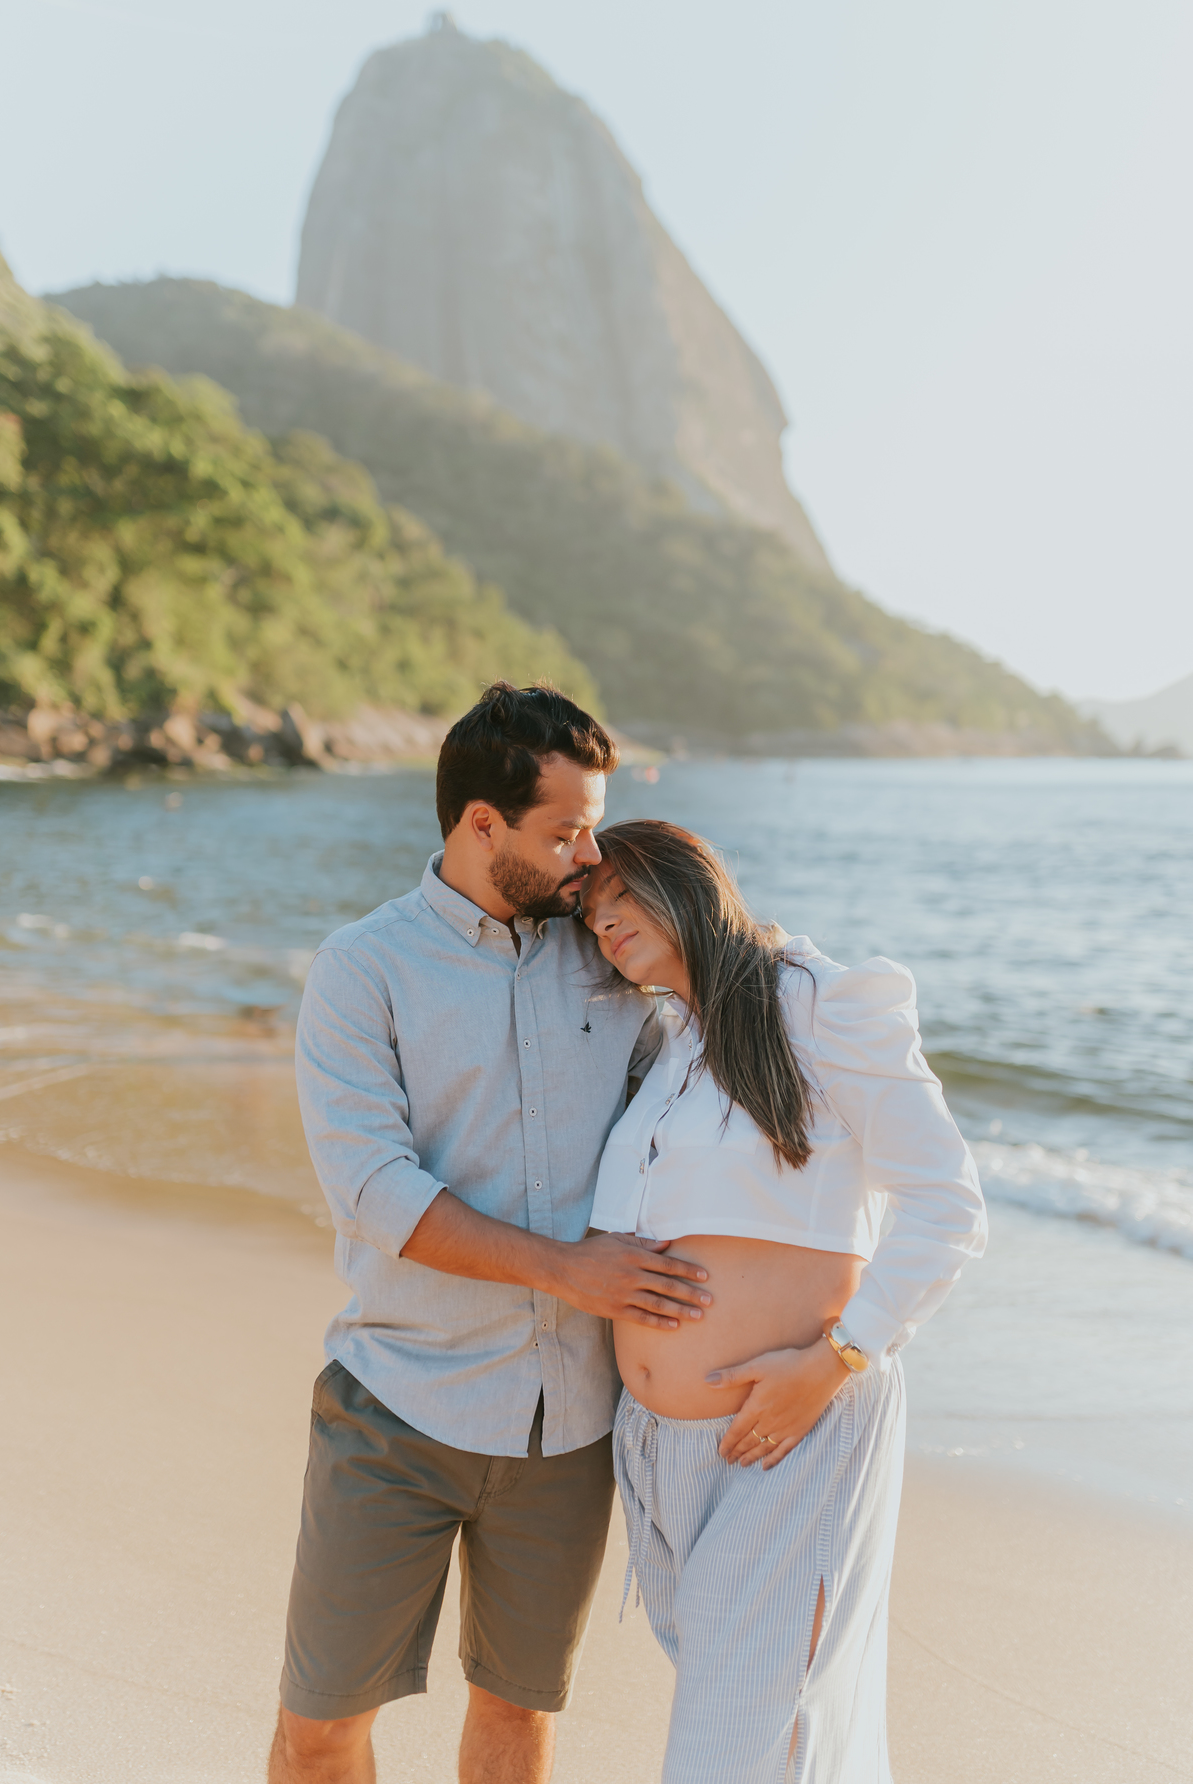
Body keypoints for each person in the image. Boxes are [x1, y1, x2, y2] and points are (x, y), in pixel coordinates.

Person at [269, 688, 714, 1784]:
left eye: (594, 825)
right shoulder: (363, 969)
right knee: (320, 1728)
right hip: (398, 1409)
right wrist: (573, 1269)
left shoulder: (610, 956)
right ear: (480, 824)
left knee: (518, 1723)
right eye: (564, 831)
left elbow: (700, 1101)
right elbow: (374, 1189)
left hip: (568, 1434)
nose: (589, 855)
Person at [580, 820, 988, 1784]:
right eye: (592, 917)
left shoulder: (820, 1004)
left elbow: (948, 1204)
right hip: (665, 1457)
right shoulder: (672, 1045)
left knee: (732, 1758)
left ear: (689, 880)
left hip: (791, 1436)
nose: (606, 924)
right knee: (777, 1746)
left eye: (625, 895)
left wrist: (839, 1358)